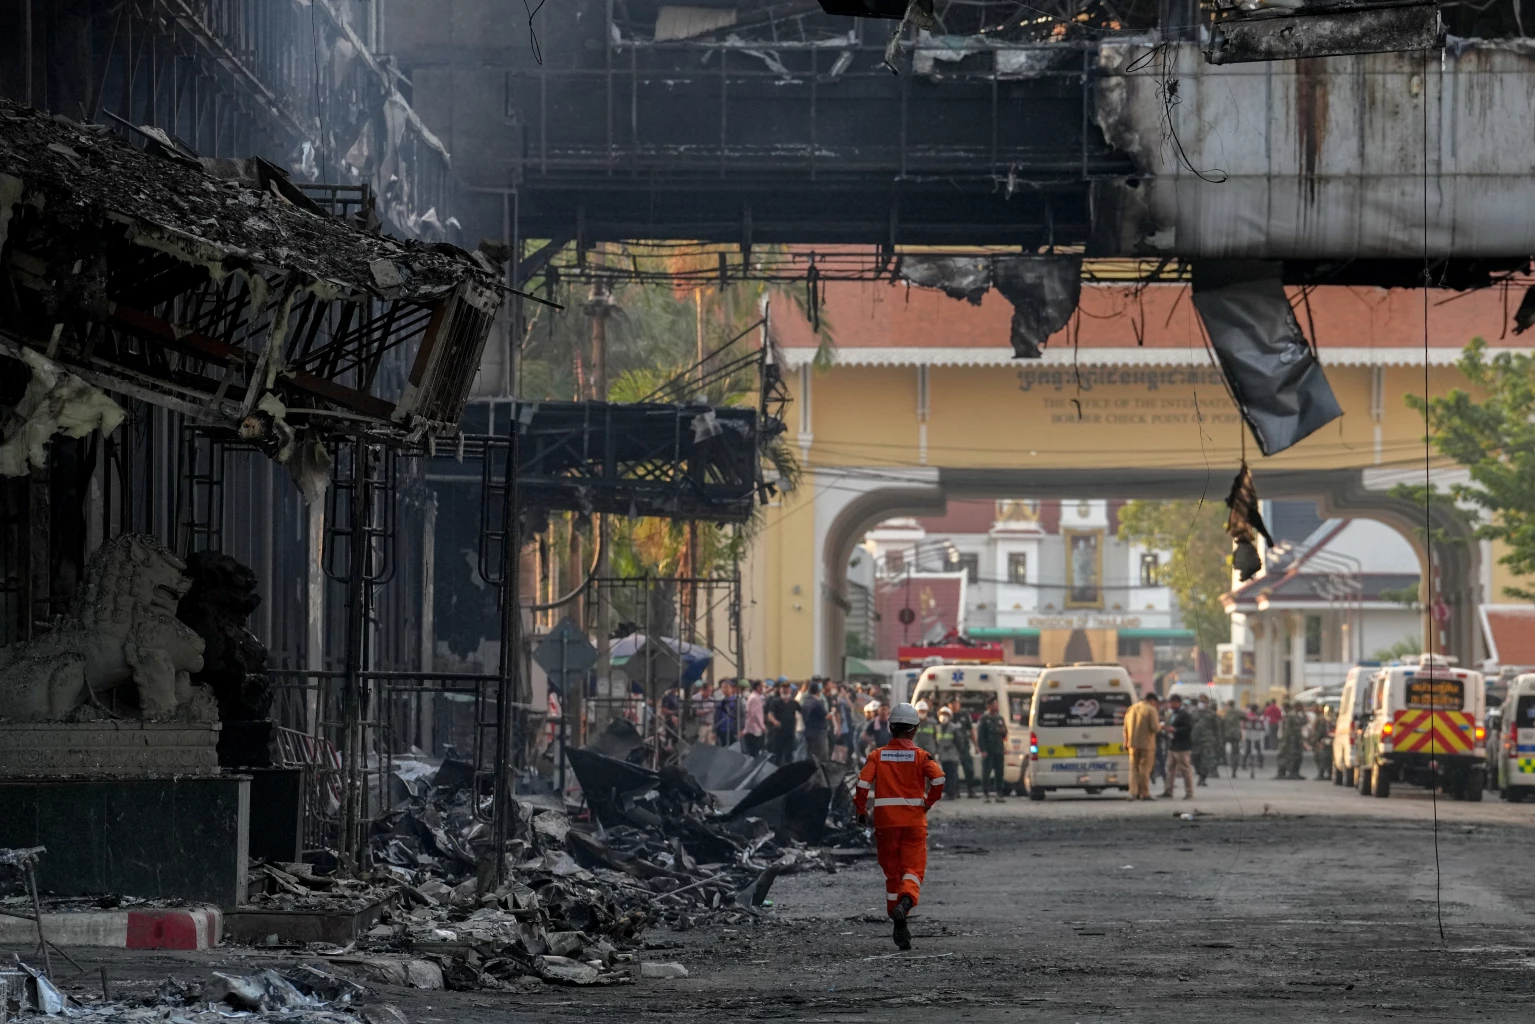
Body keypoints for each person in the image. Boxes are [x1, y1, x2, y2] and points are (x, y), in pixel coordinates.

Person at [854, 702, 945, 950]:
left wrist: (861, 811)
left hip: (885, 825)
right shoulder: (920, 756)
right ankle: (905, 905)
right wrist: (927, 803)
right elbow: (938, 779)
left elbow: (862, 785)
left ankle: (898, 921)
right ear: (914, 729)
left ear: (891, 727)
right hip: (914, 823)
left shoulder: (877, 755)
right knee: (913, 870)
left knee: (892, 873)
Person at [1123, 690, 1161, 800]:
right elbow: (1154, 727)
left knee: (1133, 769)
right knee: (1144, 769)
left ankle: (1133, 792)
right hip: (1147, 745)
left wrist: (1126, 742)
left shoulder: (1131, 709)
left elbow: (1125, 727)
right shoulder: (1151, 710)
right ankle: (1145, 793)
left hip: (1132, 744)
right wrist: (1161, 727)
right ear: (1152, 701)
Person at [1161, 694, 1195, 799]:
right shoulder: (1172, 714)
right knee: (1170, 769)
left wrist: (1175, 730)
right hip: (1173, 745)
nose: (1170, 704)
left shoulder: (1184, 714)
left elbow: (1188, 728)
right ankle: (1168, 790)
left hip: (1182, 746)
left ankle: (1189, 792)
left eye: (1172, 702)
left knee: (1185, 769)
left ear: (1178, 703)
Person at [976, 696, 1009, 801]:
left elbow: (1004, 734)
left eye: (996, 704)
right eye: (994, 704)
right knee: (986, 773)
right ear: (989, 706)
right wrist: (983, 750)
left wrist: (1003, 731)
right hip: (988, 750)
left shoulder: (1000, 719)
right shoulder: (984, 719)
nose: (996, 706)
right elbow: (980, 736)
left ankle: (999, 793)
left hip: (998, 749)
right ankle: (986, 793)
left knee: (999, 772)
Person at [947, 697, 979, 797]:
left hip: (964, 746)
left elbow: (971, 731)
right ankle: (955, 791)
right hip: (952, 747)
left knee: (969, 769)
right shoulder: (947, 716)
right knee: (953, 770)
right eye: (952, 704)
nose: (955, 706)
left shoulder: (964, 715)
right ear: (949, 705)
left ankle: (971, 790)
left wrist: (976, 745)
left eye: (956, 703)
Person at [766, 680, 800, 764]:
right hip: (779, 732)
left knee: (789, 754)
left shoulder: (794, 703)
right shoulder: (775, 702)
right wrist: (775, 721)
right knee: (778, 754)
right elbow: (770, 714)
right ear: (780, 690)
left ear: (790, 690)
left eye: (787, 688)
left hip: (790, 732)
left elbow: (802, 712)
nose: (785, 690)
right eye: (783, 688)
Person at [1192, 695, 1221, 785]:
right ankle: (1199, 773)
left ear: (1207, 703)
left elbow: (1217, 728)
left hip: (1207, 741)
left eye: (1203, 702)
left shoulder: (1211, 714)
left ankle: (1202, 778)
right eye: (1200, 701)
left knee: (1206, 761)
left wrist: (1218, 741)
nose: (1201, 704)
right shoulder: (1193, 713)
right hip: (1195, 740)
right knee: (1195, 759)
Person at [935, 707, 962, 800]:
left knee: (952, 775)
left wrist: (958, 752)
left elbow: (959, 742)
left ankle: (952, 793)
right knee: (944, 775)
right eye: (942, 714)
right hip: (942, 756)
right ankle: (947, 792)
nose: (944, 717)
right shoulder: (937, 728)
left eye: (946, 715)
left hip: (952, 755)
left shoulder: (954, 728)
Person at [1275, 702, 1307, 779]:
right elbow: (1287, 729)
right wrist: (1285, 740)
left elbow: (1304, 722)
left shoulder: (1296, 715)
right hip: (1290, 739)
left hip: (1295, 739)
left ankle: (1294, 773)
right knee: (1289, 756)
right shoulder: (1291, 715)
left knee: (1296, 756)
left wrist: (1303, 713)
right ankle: (1285, 773)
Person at [802, 680, 830, 763]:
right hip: (818, 733)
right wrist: (833, 712)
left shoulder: (805, 702)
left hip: (808, 731)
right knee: (821, 755)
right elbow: (826, 716)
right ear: (818, 691)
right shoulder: (817, 703)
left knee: (809, 755)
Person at [1219, 700, 1244, 777]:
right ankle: (1234, 770)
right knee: (1235, 753)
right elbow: (1246, 717)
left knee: (1220, 749)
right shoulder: (1238, 712)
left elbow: (1221, 722)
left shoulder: (1224, 713)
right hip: (1236, 735)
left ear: (1228, 705)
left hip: (1227, 735)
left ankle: (1223, 761)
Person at [1240, 703, 1266, 776]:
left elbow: (1243, 725)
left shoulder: (1248, 716)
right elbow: (1262, 726)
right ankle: (1260, 764)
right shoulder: (1258, 717)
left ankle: (1243, 764)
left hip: (1249, 735)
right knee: (1258, 750)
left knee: (1248, 750)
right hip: (1256, 735)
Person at [742, 680, 767, 757]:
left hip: (755, 728)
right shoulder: (754, 698)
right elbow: (755, 714)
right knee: (754, 752)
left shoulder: (756, 697)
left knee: (754, 751)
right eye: (761, 687)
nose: (763, 688)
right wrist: (762, 726)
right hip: (753, 729)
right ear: (758, 687)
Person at [1312, 703, 1335, 781]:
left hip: (1326, 741)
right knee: (1323, 758)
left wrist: (1317, 741)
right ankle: (1323, 773)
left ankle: (1325, 773)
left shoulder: (1327, 720)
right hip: (1324, 741)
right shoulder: (1322, 719)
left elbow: (1319, 731)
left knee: (1324, 758)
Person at [713, 680, 739, 747]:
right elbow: (717, 716)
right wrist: (715, 730)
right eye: (723, 687)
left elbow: (741, 715)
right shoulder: (721, 701)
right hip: (722, 729)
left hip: (732, 728)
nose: (724, 689)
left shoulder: (736, 700)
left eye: (726, 687)